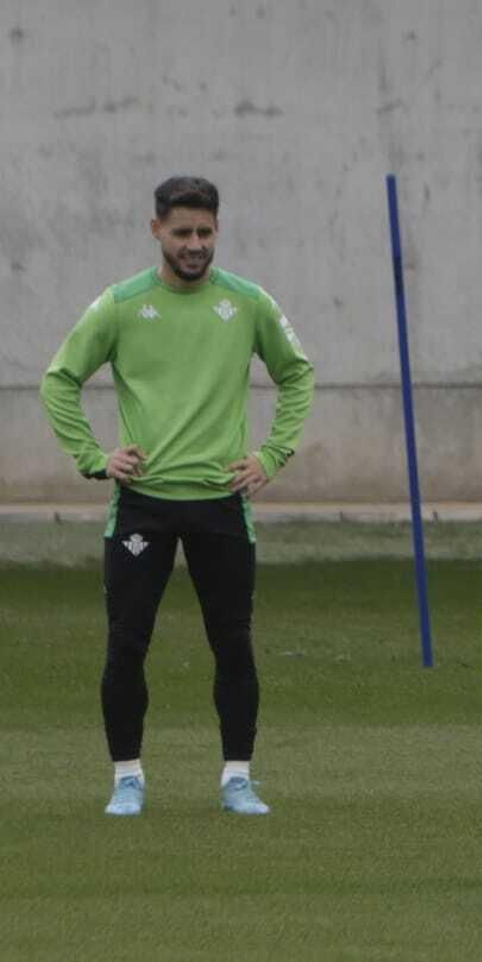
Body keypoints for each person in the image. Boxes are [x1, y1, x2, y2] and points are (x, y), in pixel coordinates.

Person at [40, 175, 315, 817]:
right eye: (183, 232)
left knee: (233, 643)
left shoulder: (247, 303)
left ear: (217, 230)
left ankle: (237, 779)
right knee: (127, 644)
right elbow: (60, 380)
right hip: (143, 505)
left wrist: (272, 455)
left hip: (222, 503)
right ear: (156, 229)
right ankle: (127, 779)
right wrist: (94, 458)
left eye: (206, 232)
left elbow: (298, 374)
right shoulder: (120, 304)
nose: (195, 244)